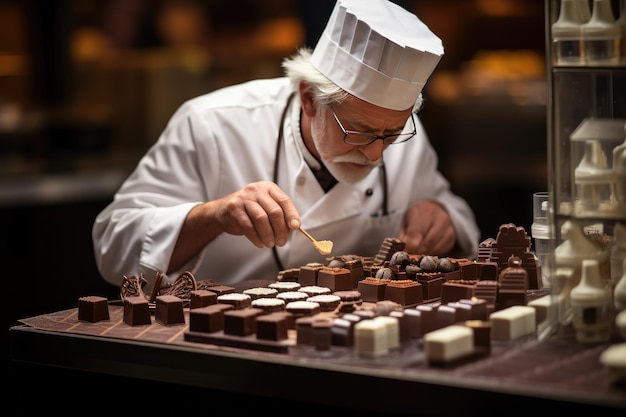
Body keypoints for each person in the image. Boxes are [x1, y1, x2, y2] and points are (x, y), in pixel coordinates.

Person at [92, 0, 480, 289]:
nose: (377, 153)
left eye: (391, 134)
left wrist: (440, 217)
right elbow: (113, 245)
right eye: (359, 131)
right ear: (309, 97)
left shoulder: (403, 132)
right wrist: (214, 215)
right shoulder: (212, 124)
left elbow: (456, 219)